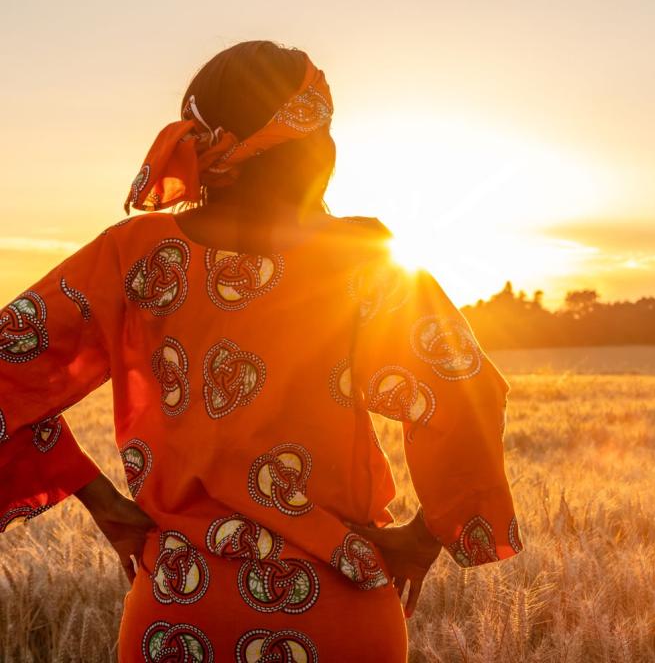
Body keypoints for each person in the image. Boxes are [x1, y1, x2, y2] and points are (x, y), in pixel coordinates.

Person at [0, 40, 522, 662]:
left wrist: (103, 502)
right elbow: (467, 389)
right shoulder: (364, 265)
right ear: (313, 148)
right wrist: (427, 534)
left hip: (179, 610)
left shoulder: (133, 253)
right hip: (339, 615)